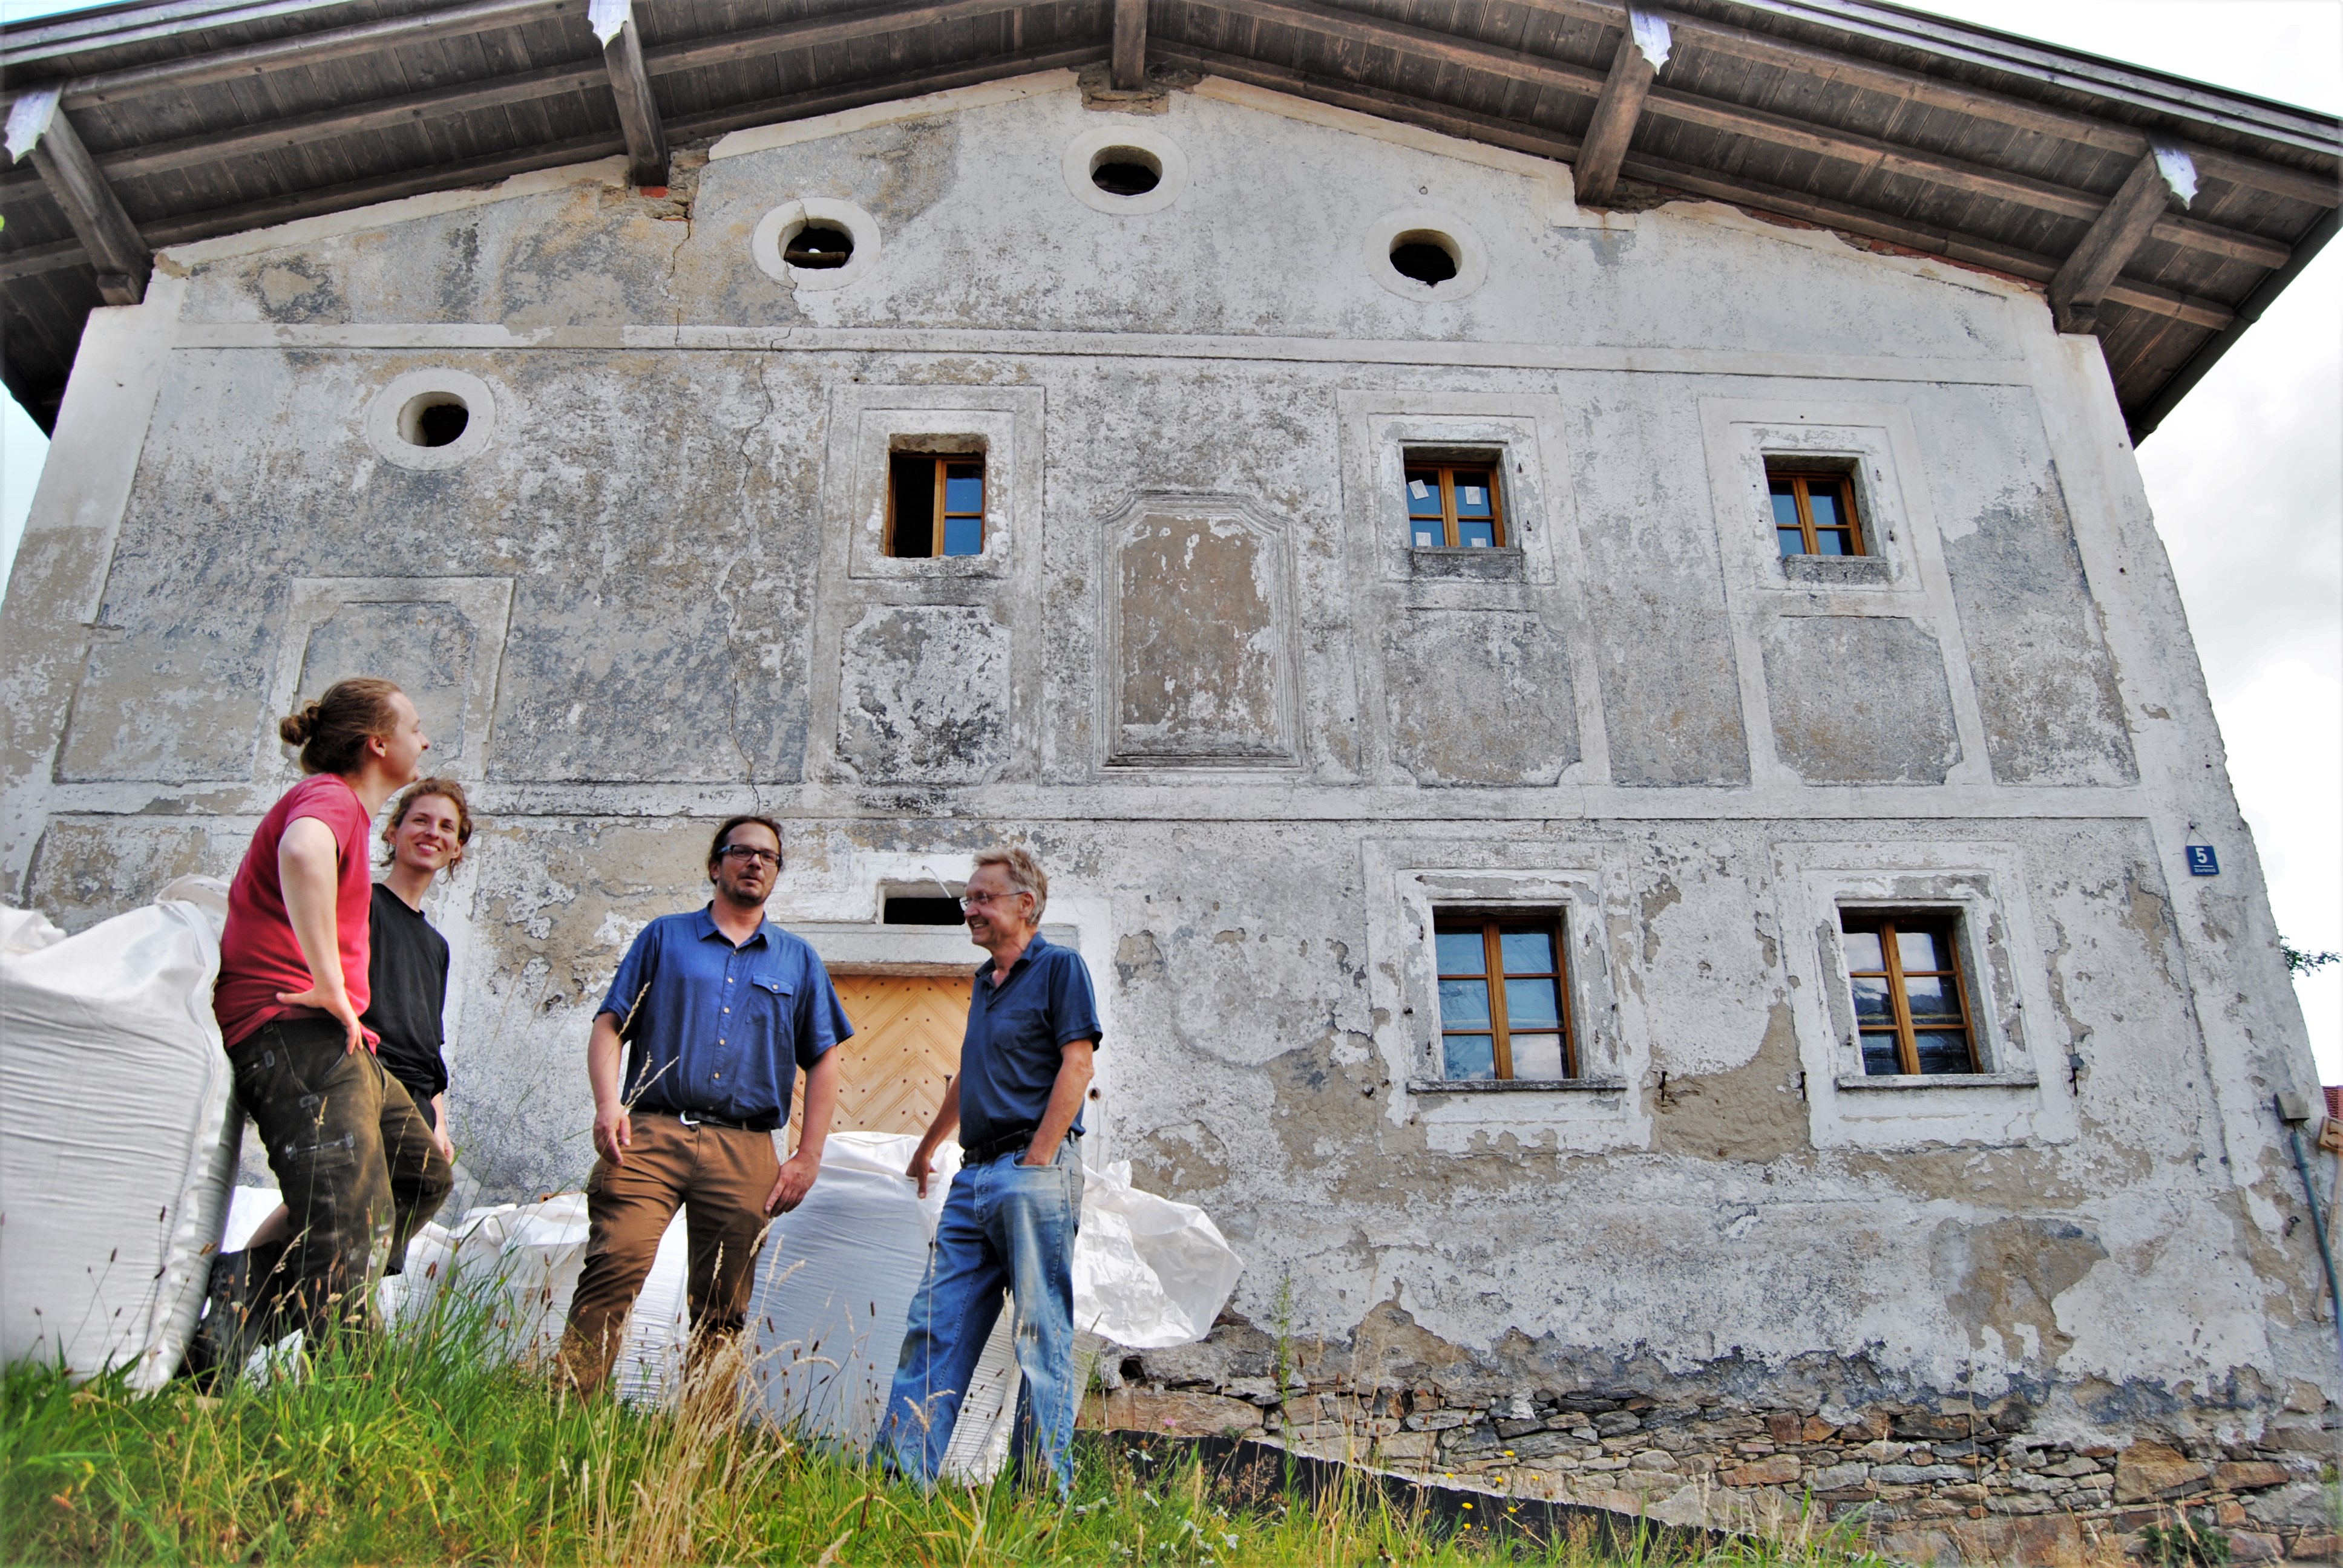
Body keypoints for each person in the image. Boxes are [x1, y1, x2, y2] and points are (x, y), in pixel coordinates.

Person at [555, 815, 853, 1398]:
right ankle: (564, 1414)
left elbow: (823, 1059)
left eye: (768, 856)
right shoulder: (665, 937)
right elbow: (610, 1025)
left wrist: (808, 1155)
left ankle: (701, 1447)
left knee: (724, 1306)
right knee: (614, 1268)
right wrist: (606, 1102)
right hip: (649, 1135)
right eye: (741, 851)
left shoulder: (797, 960)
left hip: (745, 1151)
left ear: (776, 872)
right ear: (715, 865)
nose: (755, 863)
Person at [209, 679, 454, 1350]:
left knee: (420, 1174)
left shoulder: (343, 807)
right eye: (414, 726)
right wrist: (327, 982)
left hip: (348, 1047)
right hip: (294, 1029)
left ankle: (239, 1297)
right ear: (378, 744)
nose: (424, 739)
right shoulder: (332, 800)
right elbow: (301, 851)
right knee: (351, 1216)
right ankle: (349, 1389)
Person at [880, 846, 1100, 1496]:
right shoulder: (984, 981)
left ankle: (1037, 1497)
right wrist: (927, 1150)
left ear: (1023, 906)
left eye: (981, 898)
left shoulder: (1060, 968)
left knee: (1039, 1337)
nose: (968, 909)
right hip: (972, 1177)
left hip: (1032, 1173)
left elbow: (1078, 1066)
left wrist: (1036, 1159)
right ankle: (896, 1484)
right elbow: (967, 1073)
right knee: (935, 1327)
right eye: (968, 899)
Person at [362, 777, 474, 1165]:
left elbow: (430, 1044)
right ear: (393, 832)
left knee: (418, 1196)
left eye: (447, 827)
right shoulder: (361, 902)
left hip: (416, 1100)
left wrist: (438, 1123)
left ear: (457, 848)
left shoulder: (436, 946)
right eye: (421, 821)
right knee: (339, 1203)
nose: (433, 833)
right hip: (365, 1080)